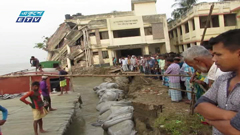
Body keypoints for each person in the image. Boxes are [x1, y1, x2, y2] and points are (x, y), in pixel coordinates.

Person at [195, 29, 240, 135]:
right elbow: (199, 105)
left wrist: (211, 119)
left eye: (218, 54)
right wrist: (230, 116)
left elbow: (234, 131)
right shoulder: (223, 79)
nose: (214, 59)